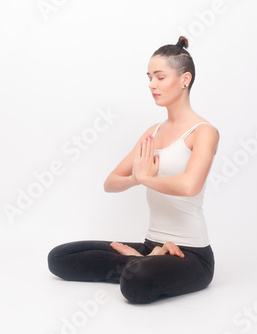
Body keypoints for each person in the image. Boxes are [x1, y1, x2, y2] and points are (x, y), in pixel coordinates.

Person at [47, 36, 220, 304]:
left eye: (160, 77)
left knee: (135, 284)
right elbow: (111, 182)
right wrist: (136, 179)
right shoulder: (153, 132)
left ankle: (138, 264)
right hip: (153, 245)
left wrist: (146, 177)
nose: (151, 84)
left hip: (192, 255)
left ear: (185, 79)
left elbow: (190, 185)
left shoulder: (204, 132)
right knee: (59, 258)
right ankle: (143, 260)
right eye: (149, 77)